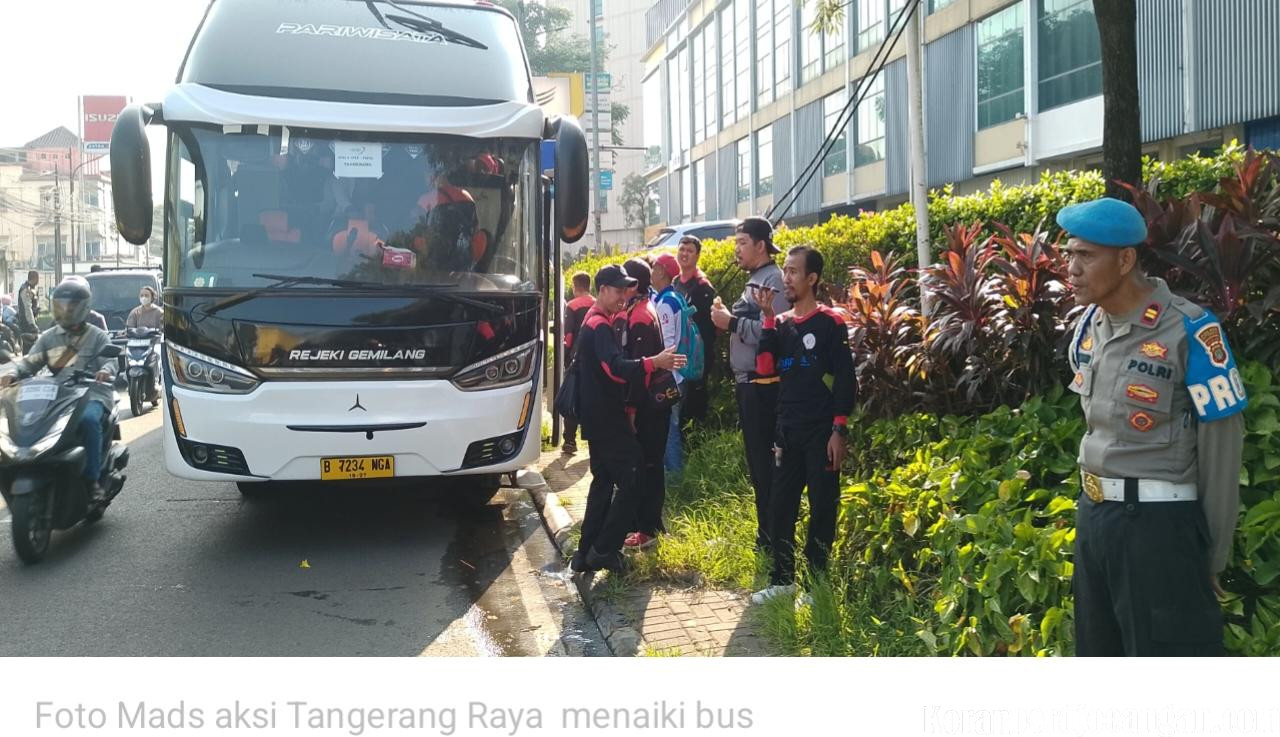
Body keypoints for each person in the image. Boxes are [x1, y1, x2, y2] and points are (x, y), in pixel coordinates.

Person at [1060, 197, 1245, 656]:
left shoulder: (1190, 330)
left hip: (1159, 531)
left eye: (1085, 256)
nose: (1071, 269)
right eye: (1069, 254)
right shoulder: (1090, 326)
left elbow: (1222, 449)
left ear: (1125, 260)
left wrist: (1211, 556)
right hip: (1095, 519)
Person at [748, 246, 856, 603]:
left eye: (793, 272)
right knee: (780, 505)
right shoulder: (780, 324)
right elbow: (765, 369)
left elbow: (845, 380)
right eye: (785, 271)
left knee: (822, 506)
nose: (786, 278)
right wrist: (767, 319)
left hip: (821, 431)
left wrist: (839, 429)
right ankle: (783, 580)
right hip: (787, 429)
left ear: (812, 278)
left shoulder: (830, 323)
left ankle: (815, 584)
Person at [571, 264, 684, 573]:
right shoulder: (600, 324)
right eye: (618, 290)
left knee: (604, 482)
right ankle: (604, 549)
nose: (624, 296)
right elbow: (616, 367)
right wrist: (654, 362)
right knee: (633, 476)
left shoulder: (595, 320)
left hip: (597, 417)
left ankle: (585, 553)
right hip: (607, 419)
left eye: (626, 290)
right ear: (603, 290)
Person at [709, 217, 790, 550]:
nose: (737, 250)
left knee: (766, 463)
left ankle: (772, 537)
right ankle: (766, 533)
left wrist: (731, 323)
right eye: (736, 243)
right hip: (748, 383)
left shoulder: (773, 280)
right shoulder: (755, 279)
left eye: (742, 243)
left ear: (761, 245)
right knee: (757, 464)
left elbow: (774, 331)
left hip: (764, 385)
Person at [0, 278, 117, 501]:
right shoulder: (49, 337)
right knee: (30, 423)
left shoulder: (96, 335)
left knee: (89, 421)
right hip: (58, 396)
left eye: (70, 306)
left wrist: (105, 370)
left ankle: (92, 480)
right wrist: (13, 374)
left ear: (83, 308)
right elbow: (30, 362)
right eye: (61, 306)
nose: (65, 311)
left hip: (91, 394)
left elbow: (111, 362)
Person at [616, 259, 669, 551]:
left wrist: (632, 410)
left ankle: (647, 529)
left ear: (633, 285)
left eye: (623, 283)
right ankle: (649, 525)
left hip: (649, 406)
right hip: (651, 403)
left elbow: (641, 370)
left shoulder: (639, 316)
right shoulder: (642, 309)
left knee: (648, 465)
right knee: (650, 464)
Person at [673, 235, 717, 431]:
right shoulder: (675, 281)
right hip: (678, 353)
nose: (684, 254)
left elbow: (708, 330)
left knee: (694, 403)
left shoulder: (703, 287)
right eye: (682, 249)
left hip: (696, 355)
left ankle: (695, 441)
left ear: (697, 256)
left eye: (690, 251)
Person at [651, 253, 686, 473]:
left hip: (669, 377)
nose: (651, 271)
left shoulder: (665, 303)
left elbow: (667, 343)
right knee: (671, 427)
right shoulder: (676, 297)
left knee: (669, 429)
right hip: (678, 375)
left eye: (654, 267)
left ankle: (674, 478)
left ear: (662, 271)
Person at [561, 271, 594, 454]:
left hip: (576, 357)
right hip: (595, 358)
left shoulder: (572, 305)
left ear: (575, 286)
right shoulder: (597, 303)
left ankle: (570, 440)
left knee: (572, 397)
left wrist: (565, 357)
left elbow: (568, 336)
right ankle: (592, 440)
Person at [16, 270, 40, 352]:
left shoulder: (31, 288)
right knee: (29, 347)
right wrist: (32, 324)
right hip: (27, 323)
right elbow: (27, 308)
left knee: (31, 347)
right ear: (34, 278)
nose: (38, 281)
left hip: (29, 322)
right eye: (38, 278)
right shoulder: (26, 289)